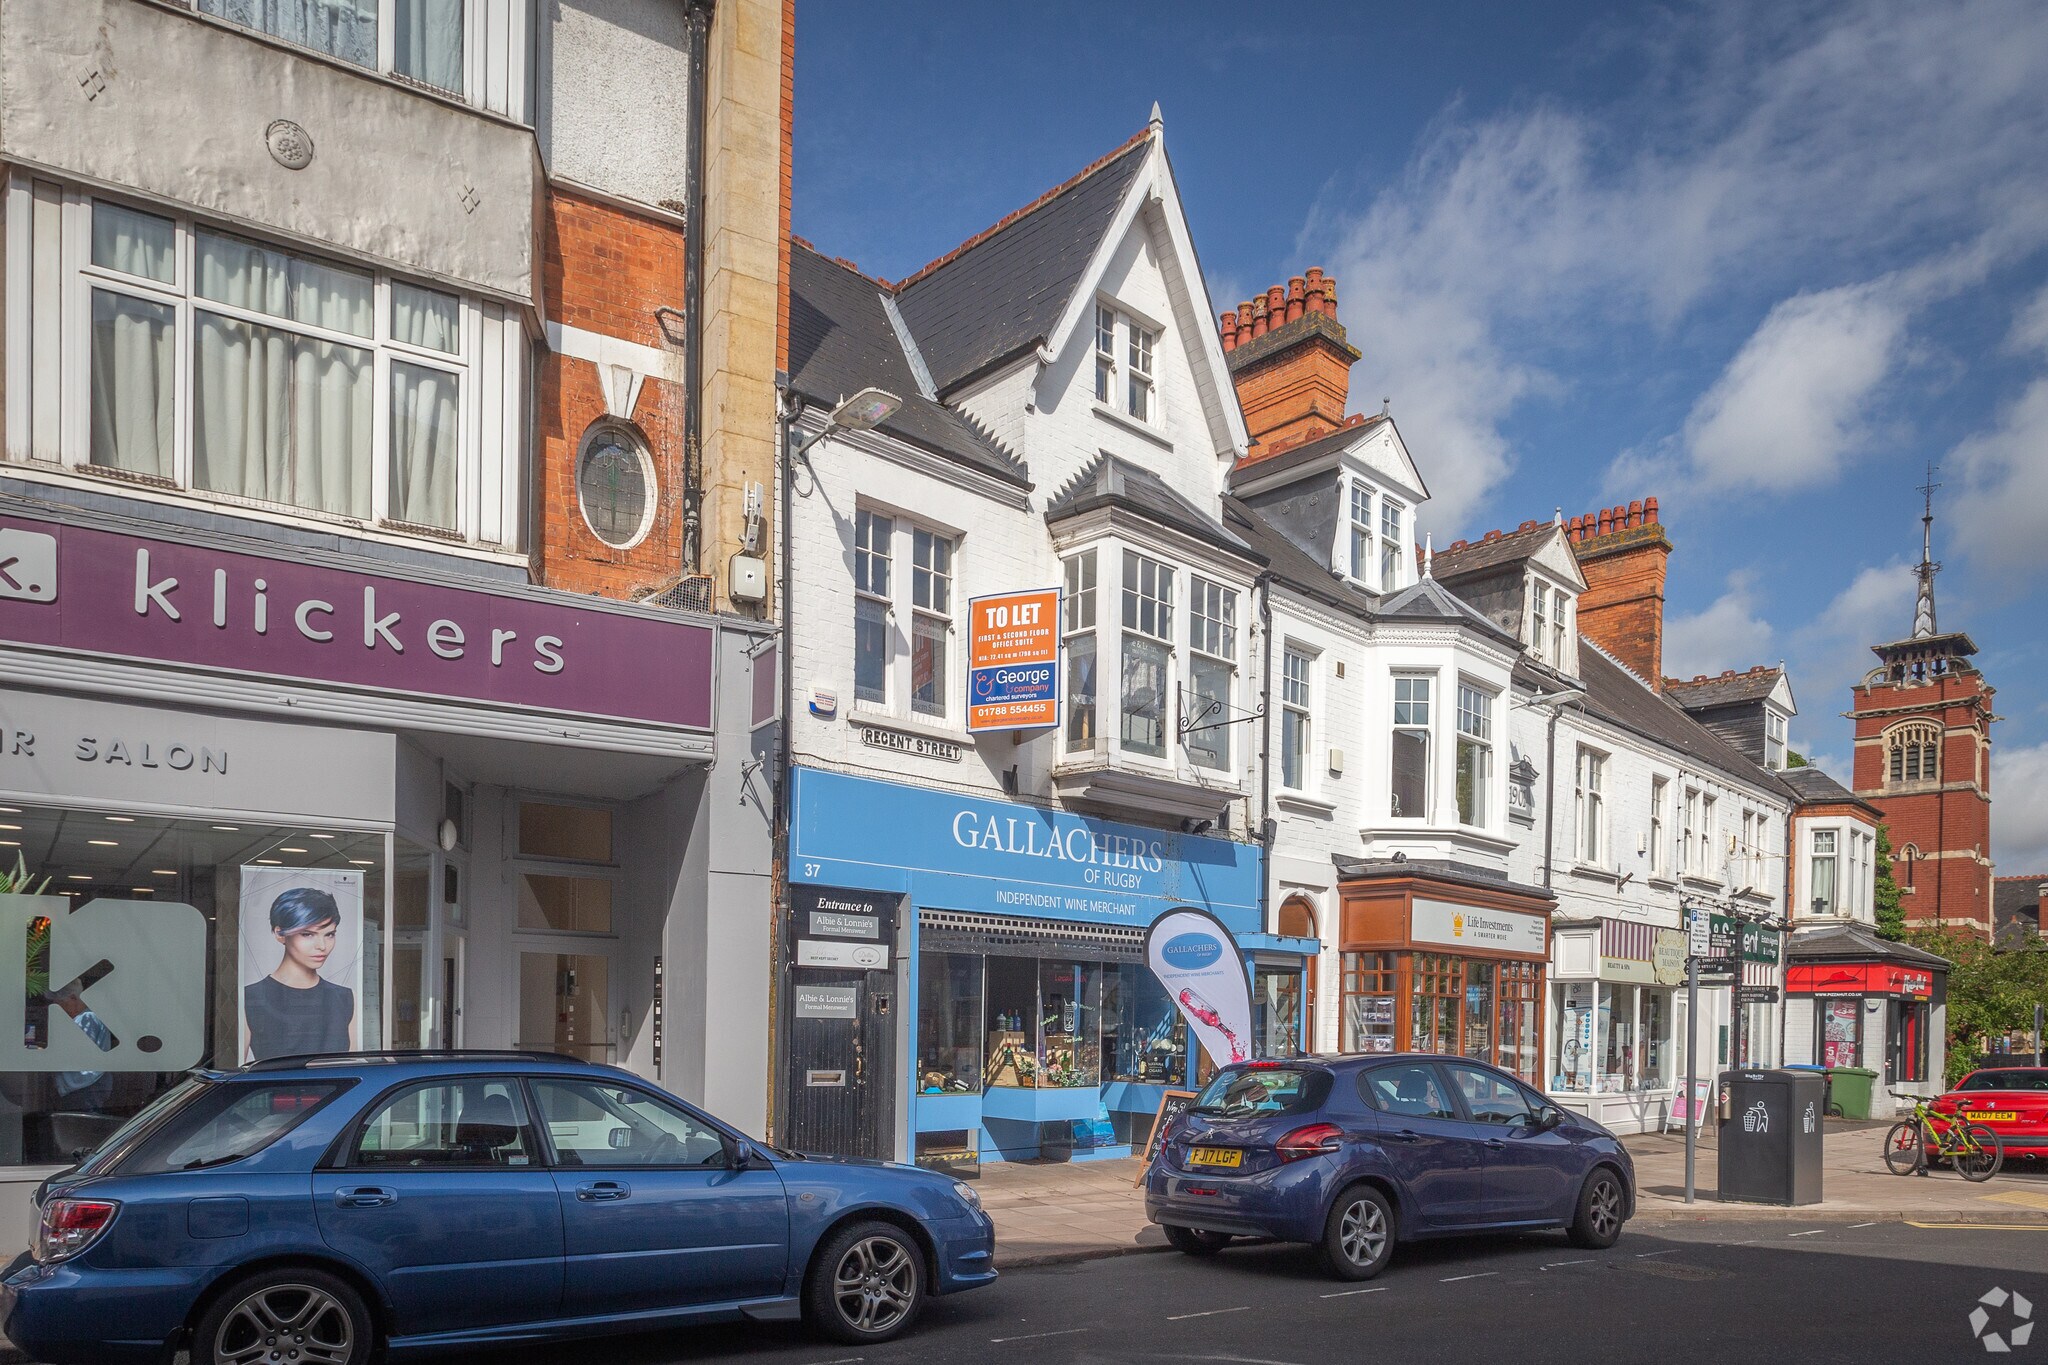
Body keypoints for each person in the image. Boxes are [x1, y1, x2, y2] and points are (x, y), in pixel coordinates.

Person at [243, 887, 356, 1063]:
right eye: (307, 934)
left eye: (329, 934)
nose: (321, 946)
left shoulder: (344, 998)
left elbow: (354, 1071)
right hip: (273, 1091)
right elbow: (233, 1074)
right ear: (279, 933)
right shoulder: (250, 997)